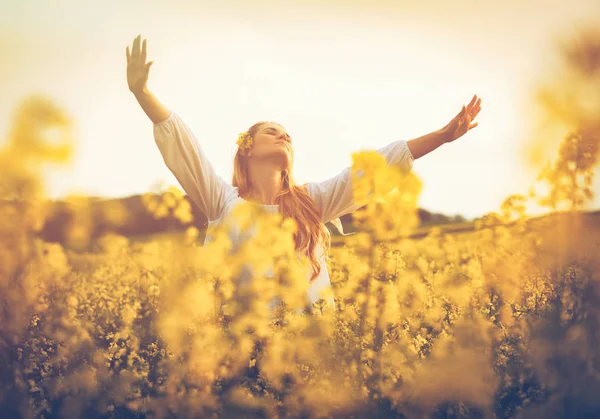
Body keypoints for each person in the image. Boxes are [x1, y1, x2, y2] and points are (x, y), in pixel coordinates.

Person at [126, 34, 482, 315]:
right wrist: (143, 94)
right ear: (247, 148)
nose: (284, 136)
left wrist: (442, 136)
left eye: (287, 135)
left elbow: (375, 169)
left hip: (310, 356)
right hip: (245, 356)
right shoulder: (222, 201)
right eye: (272, 131)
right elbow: (185, 148)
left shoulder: (311, 202)